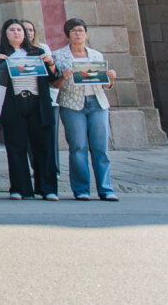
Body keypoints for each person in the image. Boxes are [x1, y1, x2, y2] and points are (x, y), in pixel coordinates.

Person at [52, 18, 118, 201]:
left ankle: (106, 189)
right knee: (78, 147)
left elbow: (104, 84)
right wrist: (63, 77)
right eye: (73, 31)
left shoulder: (96, 55)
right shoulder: (59, 56)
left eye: (80, 30)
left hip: (97, 103)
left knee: (100, 148)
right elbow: (54, 84)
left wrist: (111, 79)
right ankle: (81, 190)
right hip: (72, 104)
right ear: (68, 35)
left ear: (86, 34)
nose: (77, 34)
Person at [0, 18, 59, 200]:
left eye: (19, 30)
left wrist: (51, 63)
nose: (16, 33)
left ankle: (47, 189)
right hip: (14, 104)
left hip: (37, 103)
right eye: (12, 30)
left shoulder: (38, 52)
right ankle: (20, 188)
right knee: (16, 147)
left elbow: (53, 79)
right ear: (5, 33)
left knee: (43, 146)